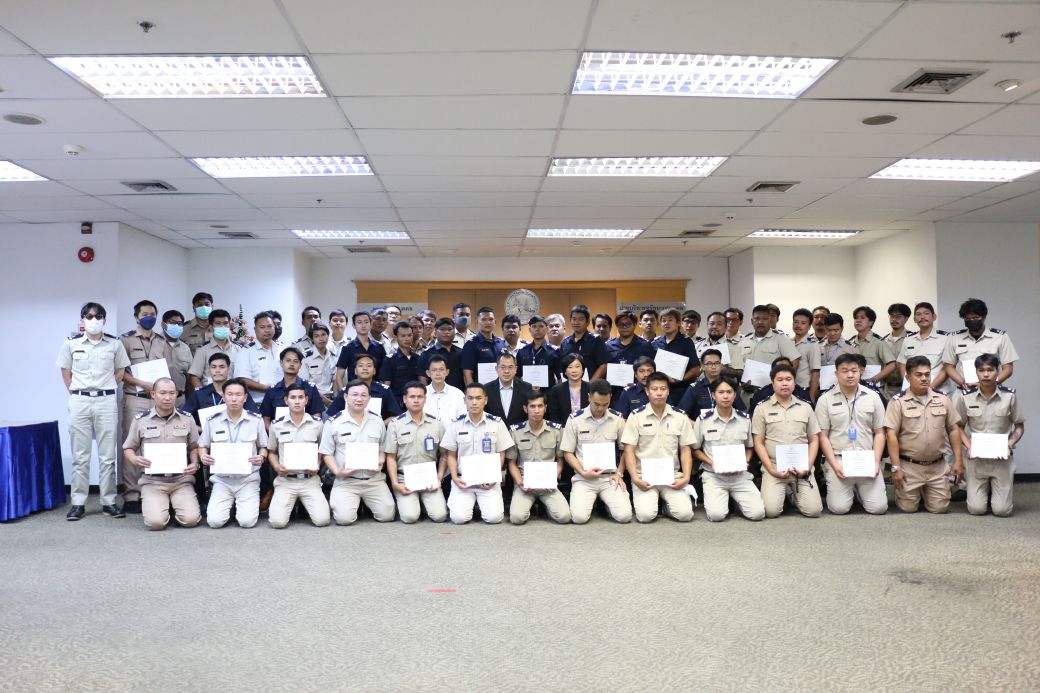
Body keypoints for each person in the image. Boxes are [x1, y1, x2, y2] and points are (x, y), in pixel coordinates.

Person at [57, 302, 130, 521]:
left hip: (106, 401)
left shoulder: (114, 344)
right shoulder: (71, 343)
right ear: (82, 320)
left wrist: (104, 387)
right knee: (81, 457)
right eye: (89, 316)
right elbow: (65, 372)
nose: (94, 320)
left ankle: (109, 502)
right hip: (80, 400)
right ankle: (78, 503)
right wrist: (78, 392)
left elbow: (120, 371)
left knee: (108, 456)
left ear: (104, 320)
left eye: (98, 317)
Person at [885, 355, 964, 514]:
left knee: (940, 509)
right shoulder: (897, 402)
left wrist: (958, 461)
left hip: (937, 466)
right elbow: (891, 436)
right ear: (908, 377)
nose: (924, 378)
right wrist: (895, 468)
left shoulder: (942, 399)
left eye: (927, 374)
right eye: (919, 375)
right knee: (908, 508)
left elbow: (954, 429)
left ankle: (926, 490)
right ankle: (918, 491)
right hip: (909, 467)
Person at [121, 377, 200, 529]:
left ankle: (173, 506)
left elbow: (194, 446)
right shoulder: (141, 420)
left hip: (181, 480)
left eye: (172, 393)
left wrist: (195, 463)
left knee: (190, 520)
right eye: (162, 393)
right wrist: (135, 459)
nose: (167, 397)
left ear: (176, 394)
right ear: (153, 394)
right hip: (152, 482)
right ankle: (164, 507)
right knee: (155, 523)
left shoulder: (187, 419)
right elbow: (128, 448)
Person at [815, 353, 888, 515]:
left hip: (867, 458)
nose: (850, 375)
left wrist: (876, 462)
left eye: (854, 371)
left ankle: (859, 492)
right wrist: (834, 465)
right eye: (845, 371)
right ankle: (851, 490)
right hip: (839, 459)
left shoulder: (873, 397)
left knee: (878, 508)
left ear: (860, 372)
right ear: (836, 373)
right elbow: (822, 437)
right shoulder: (825, 400)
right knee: (839, 508)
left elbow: (880, 433)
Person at [955, 354, 1025, 517]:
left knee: (1002, 511)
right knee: (976, 509)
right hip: (977, 461)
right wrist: (969, 446)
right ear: (976, 373)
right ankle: (986, 493)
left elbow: (1019, 426)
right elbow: (958, 427)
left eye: (990, 370)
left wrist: (1009, 445)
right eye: (981, 370)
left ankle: (995, 493)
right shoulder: (966, 397)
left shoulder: (1009, 396)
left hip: (1001, 461)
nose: (986, 374)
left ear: (998, 371)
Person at [320, 379, 396, 525]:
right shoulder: (333, 422)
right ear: (345, 397)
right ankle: (353, 503)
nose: (359, 399)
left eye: (363, 395)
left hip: (373, 480)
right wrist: (337, 472)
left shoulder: (377, 421)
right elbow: (327, 453)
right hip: (346, 481)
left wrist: (381, 461)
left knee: (387, 516)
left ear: (369, 398)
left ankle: (363, 503)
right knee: (344, 519)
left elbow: (382, 448)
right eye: (354, 395)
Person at [622, 372, 696, 523]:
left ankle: (666, 508)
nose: (659, 393)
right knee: (645, 516)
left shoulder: (680, 416)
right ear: (647, 391)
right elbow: (629, 450)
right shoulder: (636, 416)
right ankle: (656, 504)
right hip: (644, 477)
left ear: (668, 391)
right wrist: (635, 478)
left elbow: (685, 450)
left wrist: (686, 477)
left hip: (671, 476)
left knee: (685, 515)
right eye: (654, 389)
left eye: (663, 389)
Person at [752, 363, 823, 518]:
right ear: (772, 383)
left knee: (814, 511)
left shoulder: (805, 407)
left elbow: (814, 440)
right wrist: (771, 469)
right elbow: (758, 442)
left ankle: (791, 494)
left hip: (801, 467)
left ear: (794, 382)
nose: (784, 383)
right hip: (774, 467)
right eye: (780, 380)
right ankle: (785, 491)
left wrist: (807, 467)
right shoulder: (762, 408)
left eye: (788, 379)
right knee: (771, 511)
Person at [119, 299, 169, 513]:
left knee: (157, 443)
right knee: (133, 445)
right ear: (136, 317)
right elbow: (121, 373)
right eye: (145, 314)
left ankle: (152, 491)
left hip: (157, 400)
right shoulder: (125, 340)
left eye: (152, 314)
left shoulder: (162, 341)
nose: (149, 318)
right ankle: (132, 495)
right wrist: (143, 383)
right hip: (136, 398)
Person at [198, 378, 268, 528]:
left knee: (247, 522)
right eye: (230, 394)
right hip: (222, 480)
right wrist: (203, 456)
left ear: (245, 397)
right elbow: (202, 445)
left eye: (238, 394)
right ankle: (230, 508)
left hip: (248, 479)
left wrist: (261, 456)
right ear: (223, 397)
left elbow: (264, 446)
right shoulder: (213, 421)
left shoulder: (256, 420)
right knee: (215, 522)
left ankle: (237, 508)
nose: (234, 398)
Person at [441, 382, 514, 524]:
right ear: (465, 401)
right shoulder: (455, 424)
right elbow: (451, 455)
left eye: (478, 398)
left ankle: (479, 505)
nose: (474, 402)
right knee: (459, 518)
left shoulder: (497, 423)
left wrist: (493, 477)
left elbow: (501, 453)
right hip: (463, 480)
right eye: (470, 398)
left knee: (494, 518)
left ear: (485, 400)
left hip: (488, 481)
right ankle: (470, 504)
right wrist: (454, 477)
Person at [692, 377, 763, 522]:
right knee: (716, 515)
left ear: (735, 395)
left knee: (758, 514)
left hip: (739, 475)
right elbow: (695, 450)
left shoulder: (744, 419)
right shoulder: (703, 420)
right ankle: (727, 500)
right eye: (721, 392)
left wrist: (746, 461)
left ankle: (737, 502)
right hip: (714, 476)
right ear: (714, 395)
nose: (725, 396)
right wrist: (712, 463)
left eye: (729, 392)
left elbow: (749, 447)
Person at [561, 379, 632, 524]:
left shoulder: (617, 419)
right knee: (579, 518)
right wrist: (582, 472)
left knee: (624, 516)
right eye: (597, 404)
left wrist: (619, 473)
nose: (600, 408)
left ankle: (607, 505)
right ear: (589, 397)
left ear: (610, 398)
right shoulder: (575, 419)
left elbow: (625, 450)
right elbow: (567, 452)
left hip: (610, 478)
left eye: (605, 404)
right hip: (584, 478)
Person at [266, 383, 331, 529]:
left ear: (306, 400)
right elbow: (272, 452)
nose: (297, 401)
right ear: (286, 400)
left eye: (301, 397)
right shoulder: (276, 425)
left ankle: (302, 505)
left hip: (310, 480)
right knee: (277, 523)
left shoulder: (317, 424)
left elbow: (323, 450)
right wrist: (276, 466)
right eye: (293, 397)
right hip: (286, 481)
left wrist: (318, 464)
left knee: (322, 521)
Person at [384, 382, 448, 523]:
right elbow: (391, 457)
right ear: (405, 399)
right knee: (410, 517)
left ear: (425, 399)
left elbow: (445, 454)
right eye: (412, 397)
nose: (416, 400)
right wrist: (395, 483)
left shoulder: (436, 424)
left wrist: (439, 477)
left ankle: (424, 504)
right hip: (404, 479)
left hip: (429, 478)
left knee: (440, 516)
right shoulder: (395, 424)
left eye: (420, 397)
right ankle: (415, 504)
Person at [506, 390, 571, 525]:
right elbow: (512, 463)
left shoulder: (556, 430)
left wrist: (552, 479)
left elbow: (560, 460)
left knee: (564, 517)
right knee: (517, 518)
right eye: (532, 406)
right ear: (525, 408)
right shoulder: (515, 431)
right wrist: (520, 483)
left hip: (547, 483)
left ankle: (545, 506)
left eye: (540, 406)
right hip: (525, 483)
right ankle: (530, 506)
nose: (536, 410)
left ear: (545, 408)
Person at [942, 297, 1019, 388]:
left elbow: (1008, 369)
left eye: (975, 317)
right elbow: (949, 366)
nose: (972, 321)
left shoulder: (1000, 337)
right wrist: (963, 383)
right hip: (964, 390)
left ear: (984, 317)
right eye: (968, 318)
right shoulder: (954, 338)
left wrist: (990, 384)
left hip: (992, 390)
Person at [732, 305, 799, 403]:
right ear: (752, 321)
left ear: (770, 321)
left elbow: (794, 362)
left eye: (764, 319)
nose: (760, 322)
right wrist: (741, 381)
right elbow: (737, 367)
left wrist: (781, 381)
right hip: (747, 394)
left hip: (772, 394)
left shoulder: (781, 339)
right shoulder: (743, 341)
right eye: (757, 319)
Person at [182, 353, 261, 422]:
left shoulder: (240, 391)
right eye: (213, 367)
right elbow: (184, 418)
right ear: (209, 370)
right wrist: (201, 429)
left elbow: (255, 417)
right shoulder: (199, 394)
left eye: (222, 367)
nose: (217, 370)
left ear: (228, 369)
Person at [259, 347, 326, 428]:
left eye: (295, 361)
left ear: (300, 365)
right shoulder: (272, 390)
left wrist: (309, 431)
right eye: (288, 360)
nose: (291, 364)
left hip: (305, 432)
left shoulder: (310, 388)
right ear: (281, 363)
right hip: (278, 433)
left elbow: (317, 414)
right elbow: (266, 418)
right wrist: (274, 433)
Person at [326, 354, 401, 421]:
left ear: (374, 371)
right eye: (361, 366)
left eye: (369, 366)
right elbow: (332, 415)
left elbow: (396, 416)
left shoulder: (384, 391)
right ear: (355, 371)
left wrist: (380, 425)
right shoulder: (346, 391)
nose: (365, 368)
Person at [677, 349, 748, 419]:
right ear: (702, 366)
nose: (714, 367)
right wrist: (697, 424)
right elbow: (681, 415)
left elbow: (742, 413)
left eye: (717, 363)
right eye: (709, 363)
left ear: (721, 365)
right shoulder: (695, 388)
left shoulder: (729, 386)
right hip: (701, 425)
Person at [651, 307, 701, 404]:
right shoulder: (655, 343)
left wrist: (678, 380)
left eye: (670, 320)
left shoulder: (686, 342)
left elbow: (695, 369)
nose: (666, 323)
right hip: (658, 390)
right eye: (663, 320)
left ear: (678, 323)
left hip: (680, 390)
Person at [897, 302, 949, 393]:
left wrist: (929, 388)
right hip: (913, 391)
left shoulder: (946, 339)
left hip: (938, 391)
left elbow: (947, 367)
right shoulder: (908, 340)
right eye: (918, 314)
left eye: (926, 313)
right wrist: (908, 384)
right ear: (914, 319)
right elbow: (902, 364)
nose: (922, 317)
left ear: (934, 317)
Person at [187, 309, 241, 390]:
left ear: (229, 325)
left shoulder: (238, 349)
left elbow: (242, 377)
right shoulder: (202, 350)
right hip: (209, 393)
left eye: (225, 323)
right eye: (218, 323)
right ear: (211, 326)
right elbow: (194, 376)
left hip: (232, 394)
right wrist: (202, 394)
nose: (222, 326)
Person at [238, 311, 284, 405]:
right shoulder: (246, 351)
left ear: (274, 327)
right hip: (258, 404)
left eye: (270, 326)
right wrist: (268, 388)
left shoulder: (283, 350)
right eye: (262, 327)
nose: (266, 330)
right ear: (255, 329)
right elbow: (242, 379)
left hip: (282, 401)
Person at [334, 311, 386, 392]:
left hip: (376, 391)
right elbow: (339, 376)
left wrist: (383, 392)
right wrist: (344, 394)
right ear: (354, 325)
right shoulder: (347, 348)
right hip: (355, 391)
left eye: (366, 322)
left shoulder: (379, 347)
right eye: (359, 322)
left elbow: (385, 373)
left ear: (370, 324)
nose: (363, 325)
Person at [847, 306, 896, 388]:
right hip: (853, 387)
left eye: (862, 317)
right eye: (856, 318)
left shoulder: (879, 342)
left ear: (870, 322)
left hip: (874, 387)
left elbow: (892, 365)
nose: (858, 320)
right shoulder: (850, 343)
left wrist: (874, 379)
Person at [559, 305, 611, 382]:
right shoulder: (565, 342)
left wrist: (590, 385)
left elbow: (603, 365)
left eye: (581, 319)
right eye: (574, 319)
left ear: (587, 322)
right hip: (569, 385)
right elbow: (562, 366)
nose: (576, 322)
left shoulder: (596, 340)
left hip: (590, 385)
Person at [748, 356, 813, 417]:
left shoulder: (802, 394)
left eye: (787, 368)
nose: (783, 371)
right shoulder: (761, 394)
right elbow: (753, 419)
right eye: (780, 369)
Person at [461, 306, 507, 386]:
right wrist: (473, 392)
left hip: (502, 388)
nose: (488, 322)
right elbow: (467, 375)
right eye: (483, 319)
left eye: (491, 319)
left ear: (495, 322)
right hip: (481, 390)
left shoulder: (501, 343)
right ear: (477, 322)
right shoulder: (471, 345)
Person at [483, 352, 533, 427]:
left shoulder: (526, 388)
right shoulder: (486, 389)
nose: (506, 371)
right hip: (494, 431)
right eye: (503, 367)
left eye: (510, 367)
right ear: (496, 369)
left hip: (519, 431)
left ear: (516, 369)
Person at [378, 320, 420, 406]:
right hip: (397, 403)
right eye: (403, 336)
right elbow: (386, 386)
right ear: (396, 337)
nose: (407, 339)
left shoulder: (418, 358)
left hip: (416, 401)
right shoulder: (389, 359)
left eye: (409, 335)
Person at [418, 317, 466, 391]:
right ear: (435, 333)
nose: (446, 332)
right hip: (435, 395)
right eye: (442, 329)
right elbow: (423, 379)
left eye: (450, 329)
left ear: (454, 332)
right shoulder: (426, 354)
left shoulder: (461, 353)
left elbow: (466, 375)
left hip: (458, 394)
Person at [516, 315, 562, 387]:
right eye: (534, 326)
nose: (537, 329)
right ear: (530, 330)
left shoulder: (554, 351)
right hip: (527, 392)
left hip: (548, 392)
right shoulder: (522, 352)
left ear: (546, 329)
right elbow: (517, 376)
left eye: (541, 326)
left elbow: (560, 378)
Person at [160, 309, 193, 405]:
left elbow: (189, 377)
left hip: (180, 400)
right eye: (172, 323)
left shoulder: (185, 348)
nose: (176, 326)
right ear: (163, 325)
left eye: (179, 323)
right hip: (158, 400)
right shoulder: (154, 343)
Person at [423, 354, 466, 428]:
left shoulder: (458, 394)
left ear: (447, 372)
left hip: (453, 434)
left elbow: (463, 420)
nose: (438, 374)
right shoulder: (422, 394)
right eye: (434, 370)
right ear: (428, 373)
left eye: (441, 369)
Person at [547, 353, 590, 425]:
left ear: (583, 370)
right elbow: (554, 415)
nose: (574, 370)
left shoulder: (591, 388)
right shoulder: (556, 390)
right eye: (570, 367)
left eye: (577, 366)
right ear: (565, 371)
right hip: (563, 428)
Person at [881, 303, 914, 397]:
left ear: (906, 318)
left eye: (898, 317)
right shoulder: (883, 341)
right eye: (892, 316)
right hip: (887, 389)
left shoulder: (912, 339)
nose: (894, 319)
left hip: (907, 388)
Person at [301, 322, 336, 406]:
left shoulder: (333, 357)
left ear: (328, 336)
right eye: (316, 336)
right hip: (313, 399)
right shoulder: (306, 358)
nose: (321, 338)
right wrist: (326, 401)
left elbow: (335, 381)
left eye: (323, 335)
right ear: (312, 339)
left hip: (331, 399)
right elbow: (305, 384)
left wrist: (335, 401)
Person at [791, 308, 821, 401]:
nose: (798, 325)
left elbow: (815, 373)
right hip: (787, 390)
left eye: (803, 323)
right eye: (796, 322)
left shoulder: (813, 345)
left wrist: (811, 397)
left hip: (803, 391)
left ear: (809, 326)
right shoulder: (788, 342)